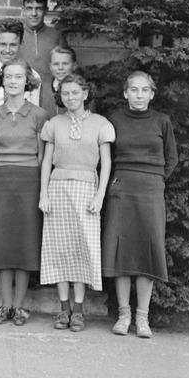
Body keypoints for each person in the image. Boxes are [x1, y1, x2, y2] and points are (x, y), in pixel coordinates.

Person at [102, 71, 177, 338]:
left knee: (148, 248)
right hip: (121, 189)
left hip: (151, 191)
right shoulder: (115, 120)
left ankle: (142, 318)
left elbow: (171, 158)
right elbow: (106, 157)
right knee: (121, 250)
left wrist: (155, 179)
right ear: (125, 93)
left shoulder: (162, 121)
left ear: (152, 94)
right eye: (134, 90)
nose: (139, 95)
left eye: (144, 90)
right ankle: (124, 315)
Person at [39, 74, 115, 332]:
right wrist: (43, 194)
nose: (70, 98)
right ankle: (63, 310)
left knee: (83, 249)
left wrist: (100, 195)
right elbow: (47, 162)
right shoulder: (53, 124)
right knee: (59, 249)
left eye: (75, 93)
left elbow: (106, 163)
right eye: (65, 93)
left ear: (85, 93)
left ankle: (79, 311)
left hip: (86, 191)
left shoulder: (100, 124)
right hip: (58, 188)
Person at [0, 60, 48, 326]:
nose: (12, 81)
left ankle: (20, 307)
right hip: (2, 181)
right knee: (2, 242)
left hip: (29, 180)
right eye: (8, 76)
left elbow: (43, 156)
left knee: (24, 242)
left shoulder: (39, 115)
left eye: (18, 77)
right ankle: (5, 304)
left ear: (27, 81)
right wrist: (3, 171)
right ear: (1, 80)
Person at [0, 19, 42, 113]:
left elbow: (35, 113)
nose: (7, 50)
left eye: (13, 45)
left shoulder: (33, 75)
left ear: (21, 44)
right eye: (3, 44)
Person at [42, 45, 77, 117]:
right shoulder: (42, 89)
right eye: (56, 64)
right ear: (50, 67)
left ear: (74, 66)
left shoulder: (82, 90)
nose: (60, 68)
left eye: (65, 63)